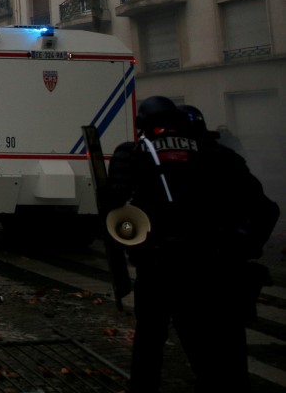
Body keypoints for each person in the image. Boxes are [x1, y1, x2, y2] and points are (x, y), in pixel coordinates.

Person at [107, 96, 278, 392]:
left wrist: (134, 249)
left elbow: (114, 207)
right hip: (210, 265)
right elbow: (266, 209)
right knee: (210, 340)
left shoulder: (134, 154)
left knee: (149, 342)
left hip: (157, 266)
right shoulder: (214, 151)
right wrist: (243, 247)